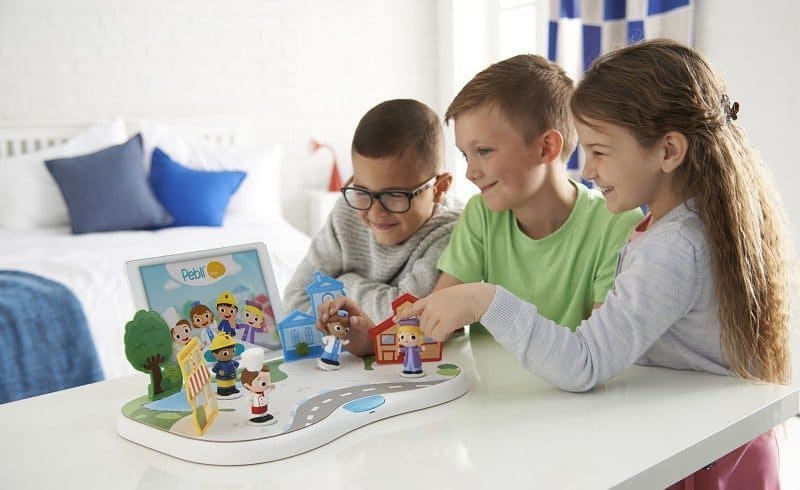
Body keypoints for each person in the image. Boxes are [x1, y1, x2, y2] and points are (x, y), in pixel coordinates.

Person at [396, 39, 792, 489]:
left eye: (600, 152)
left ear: (668, 151)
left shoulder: (675, 248)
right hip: (696, 440)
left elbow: (583, 364)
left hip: (705, 461)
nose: (587, 170)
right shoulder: (669, 229)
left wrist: (487, 301)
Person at [283, 99, 461, 356]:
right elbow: (294, 305)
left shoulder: (451, 233)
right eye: (363, 191)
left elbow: (408, 320)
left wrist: (342, 284)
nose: (375, 212)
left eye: (395, 195)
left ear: (439, 188)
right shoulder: (348, 212)